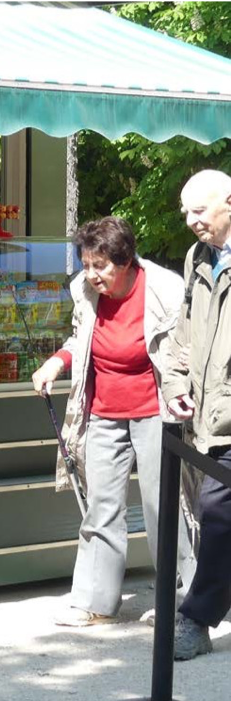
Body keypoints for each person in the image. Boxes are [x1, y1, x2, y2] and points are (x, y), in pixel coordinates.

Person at [32, 216, 196, 627]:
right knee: (100, 506)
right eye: (86, 264)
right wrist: (57, 362)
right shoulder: (85, 290)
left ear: (124, 261)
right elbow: (80, 339)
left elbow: (185, 348)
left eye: (100, 266)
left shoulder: (164, 289)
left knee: (163, 506)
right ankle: (94, 602)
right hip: (104, 410)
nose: (92, 274)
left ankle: (181, 601)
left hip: (157, 410)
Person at [161, 169, 231, 660]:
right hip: (210, 418)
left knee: (217, 511)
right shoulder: (197, 257)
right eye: (185, 211)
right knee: (218, 512)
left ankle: (196, 617)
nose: (189, 220)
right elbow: (183, 331)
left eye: (199, 210)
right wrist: (175, 383)